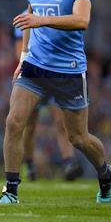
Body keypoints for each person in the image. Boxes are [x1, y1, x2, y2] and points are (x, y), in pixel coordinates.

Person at [0, 0, 111, 204]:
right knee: (13, 123)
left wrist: (40, 19)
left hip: (68, 70)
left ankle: (105, 172)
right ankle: (11, 191)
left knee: (78, 138)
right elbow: (28, 21)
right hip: (34, 66)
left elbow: (82, 20)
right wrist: (22, 58)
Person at [14, 17, 84, 181]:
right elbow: (19, 49)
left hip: (55, 74)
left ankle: (68, 162)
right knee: (29, 125)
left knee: (61, 121)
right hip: (34, 76)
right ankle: (30, 164)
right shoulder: (25, 15)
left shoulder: (57, 11)